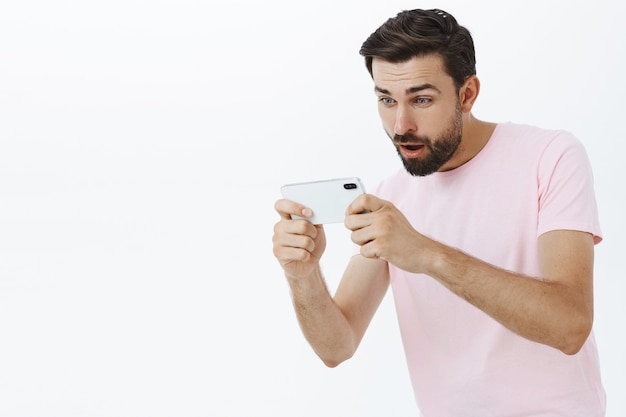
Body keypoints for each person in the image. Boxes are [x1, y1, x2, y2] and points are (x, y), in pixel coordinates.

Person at [272, 8, 605, 417]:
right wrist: (302, 276)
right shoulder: (390, 196)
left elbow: (569, 325)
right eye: (386, 100)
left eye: (422, 99)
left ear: (467, 94)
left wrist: (427, 254)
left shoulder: (550, 157)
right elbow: (336, 346)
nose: (400, 124)